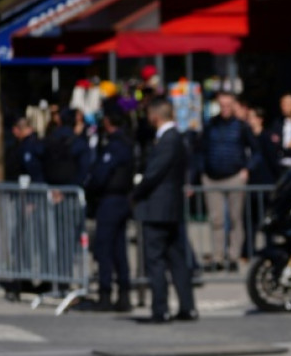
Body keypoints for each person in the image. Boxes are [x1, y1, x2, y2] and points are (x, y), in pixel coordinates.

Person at [130, 96, 198, 324]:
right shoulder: (175, 138)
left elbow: (153, 174)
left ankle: (161, 309)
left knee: (157, 261)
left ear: (155, 116)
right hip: (171, 209)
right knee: (177, 260)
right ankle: (186, 306)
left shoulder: (169, 139)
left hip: (159, 209)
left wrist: (135, 194)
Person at [78, 111, 135, 312]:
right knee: (119, 249)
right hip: (119, 201)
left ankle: (106, 293)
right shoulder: (124, 143)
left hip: (110, 201)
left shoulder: (115, 145)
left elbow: (100, 174)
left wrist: (89, 187)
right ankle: (123, 293)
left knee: (105, 249)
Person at [198, 90, 260, 272]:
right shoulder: (210, 125)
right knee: (216, 220)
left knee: (235, 219)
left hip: (234, 176)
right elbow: (200, 150)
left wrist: (247, 169)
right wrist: (202, 171)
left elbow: (256, 151)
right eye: (221, 105)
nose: (224, 109)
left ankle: (233, 256)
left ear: (233, 105)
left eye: (228, 105)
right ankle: (218, 257)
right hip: (212, 178)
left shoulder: (241, 126)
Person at [242, 106, 282, 261]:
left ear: (260, 119)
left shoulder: (267, 137)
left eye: (251, 117)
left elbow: (273, 161)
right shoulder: (248, 136)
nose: (249, 120)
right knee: (250, 220)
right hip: (252, 184)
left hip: (266, 183)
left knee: (267, 219)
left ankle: (270, 249)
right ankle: (248, 250)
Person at [41, 107, 91, 187]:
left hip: (48, 188)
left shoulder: (48, 139)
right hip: (70, 191)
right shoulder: (79, 143)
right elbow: (83, 170)